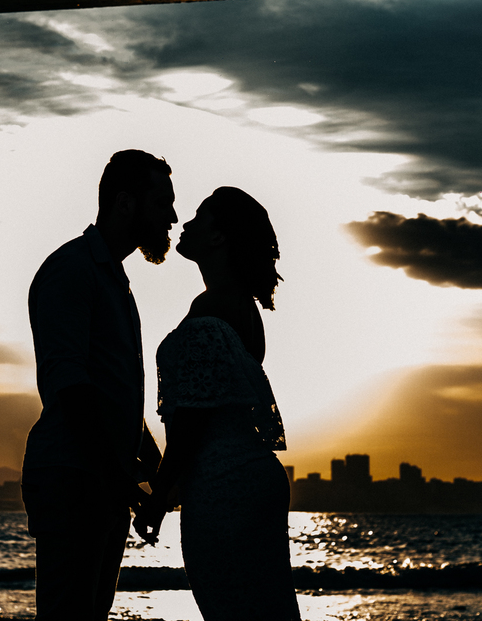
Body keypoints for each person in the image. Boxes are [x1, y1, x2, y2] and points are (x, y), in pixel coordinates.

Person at [21, 149, 175, 621]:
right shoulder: (72, 271)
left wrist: (154, 468)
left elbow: (112, 396)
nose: (172, 216)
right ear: (126, 204)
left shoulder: (114, 279)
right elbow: (69, 386)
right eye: (162, 201)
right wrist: (119, 474)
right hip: (74, 483)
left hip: (100, 485)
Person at [134, 186, 301, 621]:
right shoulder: (244, 308)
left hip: (224, 482)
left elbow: (193, 418)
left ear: (219, 237)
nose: (185, 224)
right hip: (248, 472)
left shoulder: (215, 306)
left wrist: (157, 495)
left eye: (199, 217)